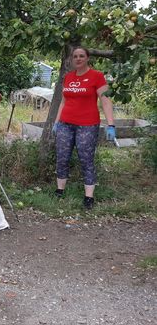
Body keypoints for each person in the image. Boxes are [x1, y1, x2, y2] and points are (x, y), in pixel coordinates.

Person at [53, 46, 116, 210]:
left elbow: (105, 100)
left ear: (87, 58)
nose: (78, 59)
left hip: (87, 126)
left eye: (81, 56)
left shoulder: (97, 76)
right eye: (75, 56)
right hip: (65, 124)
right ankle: (59, 191)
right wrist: (57, 121)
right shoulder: (68, 77)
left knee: (86, 159)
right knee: (62, 157)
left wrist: (111, 125)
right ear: (72, 59)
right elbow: (63, 101)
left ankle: (89, 197)